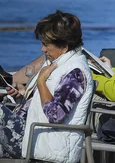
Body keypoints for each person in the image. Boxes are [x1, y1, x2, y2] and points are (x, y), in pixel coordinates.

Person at [1, 11, 94, 161]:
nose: (42, 50)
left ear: (64, 45)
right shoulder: (58, 64)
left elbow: (55, 115)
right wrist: (23, 96)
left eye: (46, 44)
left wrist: (41, 82)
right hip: (32, 135)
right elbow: (44, 103)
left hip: (41, 143)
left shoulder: (75, 72)